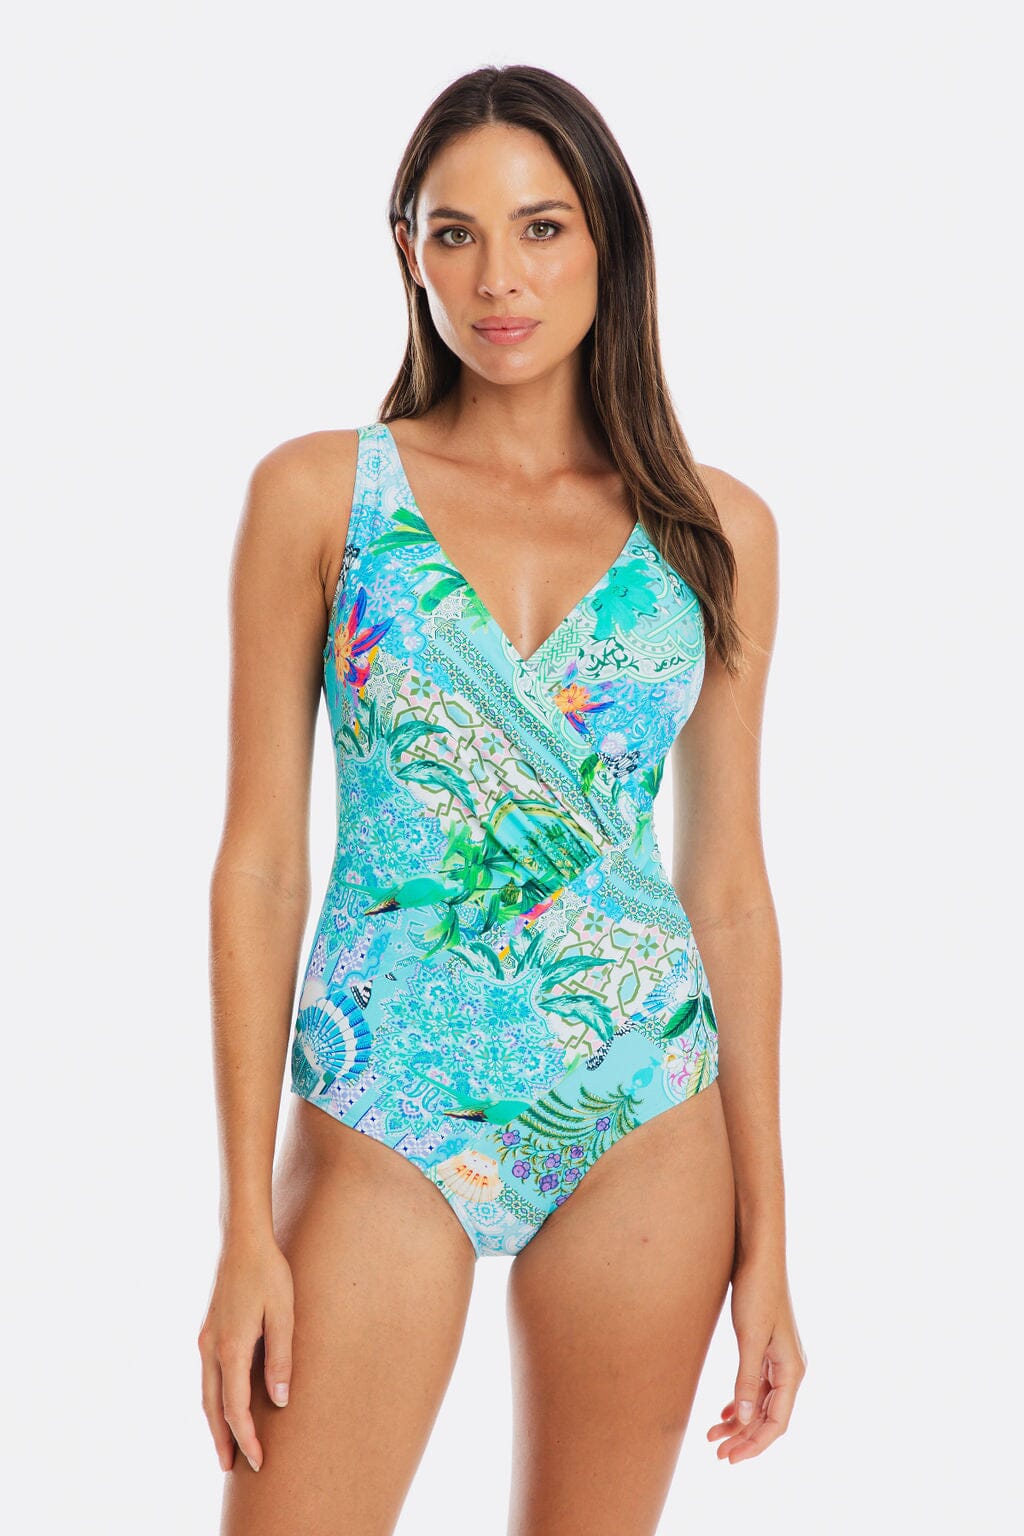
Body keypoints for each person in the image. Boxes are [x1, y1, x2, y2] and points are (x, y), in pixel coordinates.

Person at [199, 62, 806, 1536]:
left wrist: (772, 1238)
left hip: (646, 1103)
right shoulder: (320, 498)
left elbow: (728, 884)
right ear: (408, 253)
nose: (497, 279)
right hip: (383, 1105)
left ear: (607, 241)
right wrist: (240, 1225)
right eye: (453, 233)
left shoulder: (715, 531)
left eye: (540, 228)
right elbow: (262, 862)